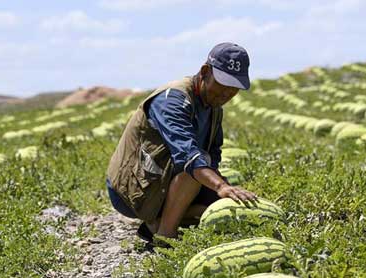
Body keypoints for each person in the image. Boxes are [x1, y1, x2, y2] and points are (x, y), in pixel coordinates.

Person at [106, 42, 258, 243]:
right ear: (205, 72)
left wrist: (223, 191)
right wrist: (219, 185)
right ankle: (164, 236)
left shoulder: (213, 108)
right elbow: (188, 155)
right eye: (222, 84)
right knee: (195, 172)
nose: (226, 94)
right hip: (132, 189)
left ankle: (156, 222)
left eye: (234, 89)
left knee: (222, 205)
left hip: (164, 179)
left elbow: (213, 154)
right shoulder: (172, 100)